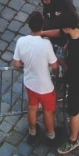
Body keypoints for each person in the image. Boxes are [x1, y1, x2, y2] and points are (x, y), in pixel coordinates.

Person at [13, 11, 59, 143]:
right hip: (45, 86)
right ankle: (51, 135)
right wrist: (55, 73)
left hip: (30, 83)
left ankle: (32, 132)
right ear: (43, 25)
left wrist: (25, 62)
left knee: (32, 107)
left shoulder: (21, 41)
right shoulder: (45, 44)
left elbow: (16, 63)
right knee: (48, 111)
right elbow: (54, 65)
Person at [57, 20, 79, 155]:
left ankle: (73, 139)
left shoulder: (75, 51)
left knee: (73, 111)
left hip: (76, 80)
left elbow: (69, 67)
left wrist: (62, 62)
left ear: (67, 28)